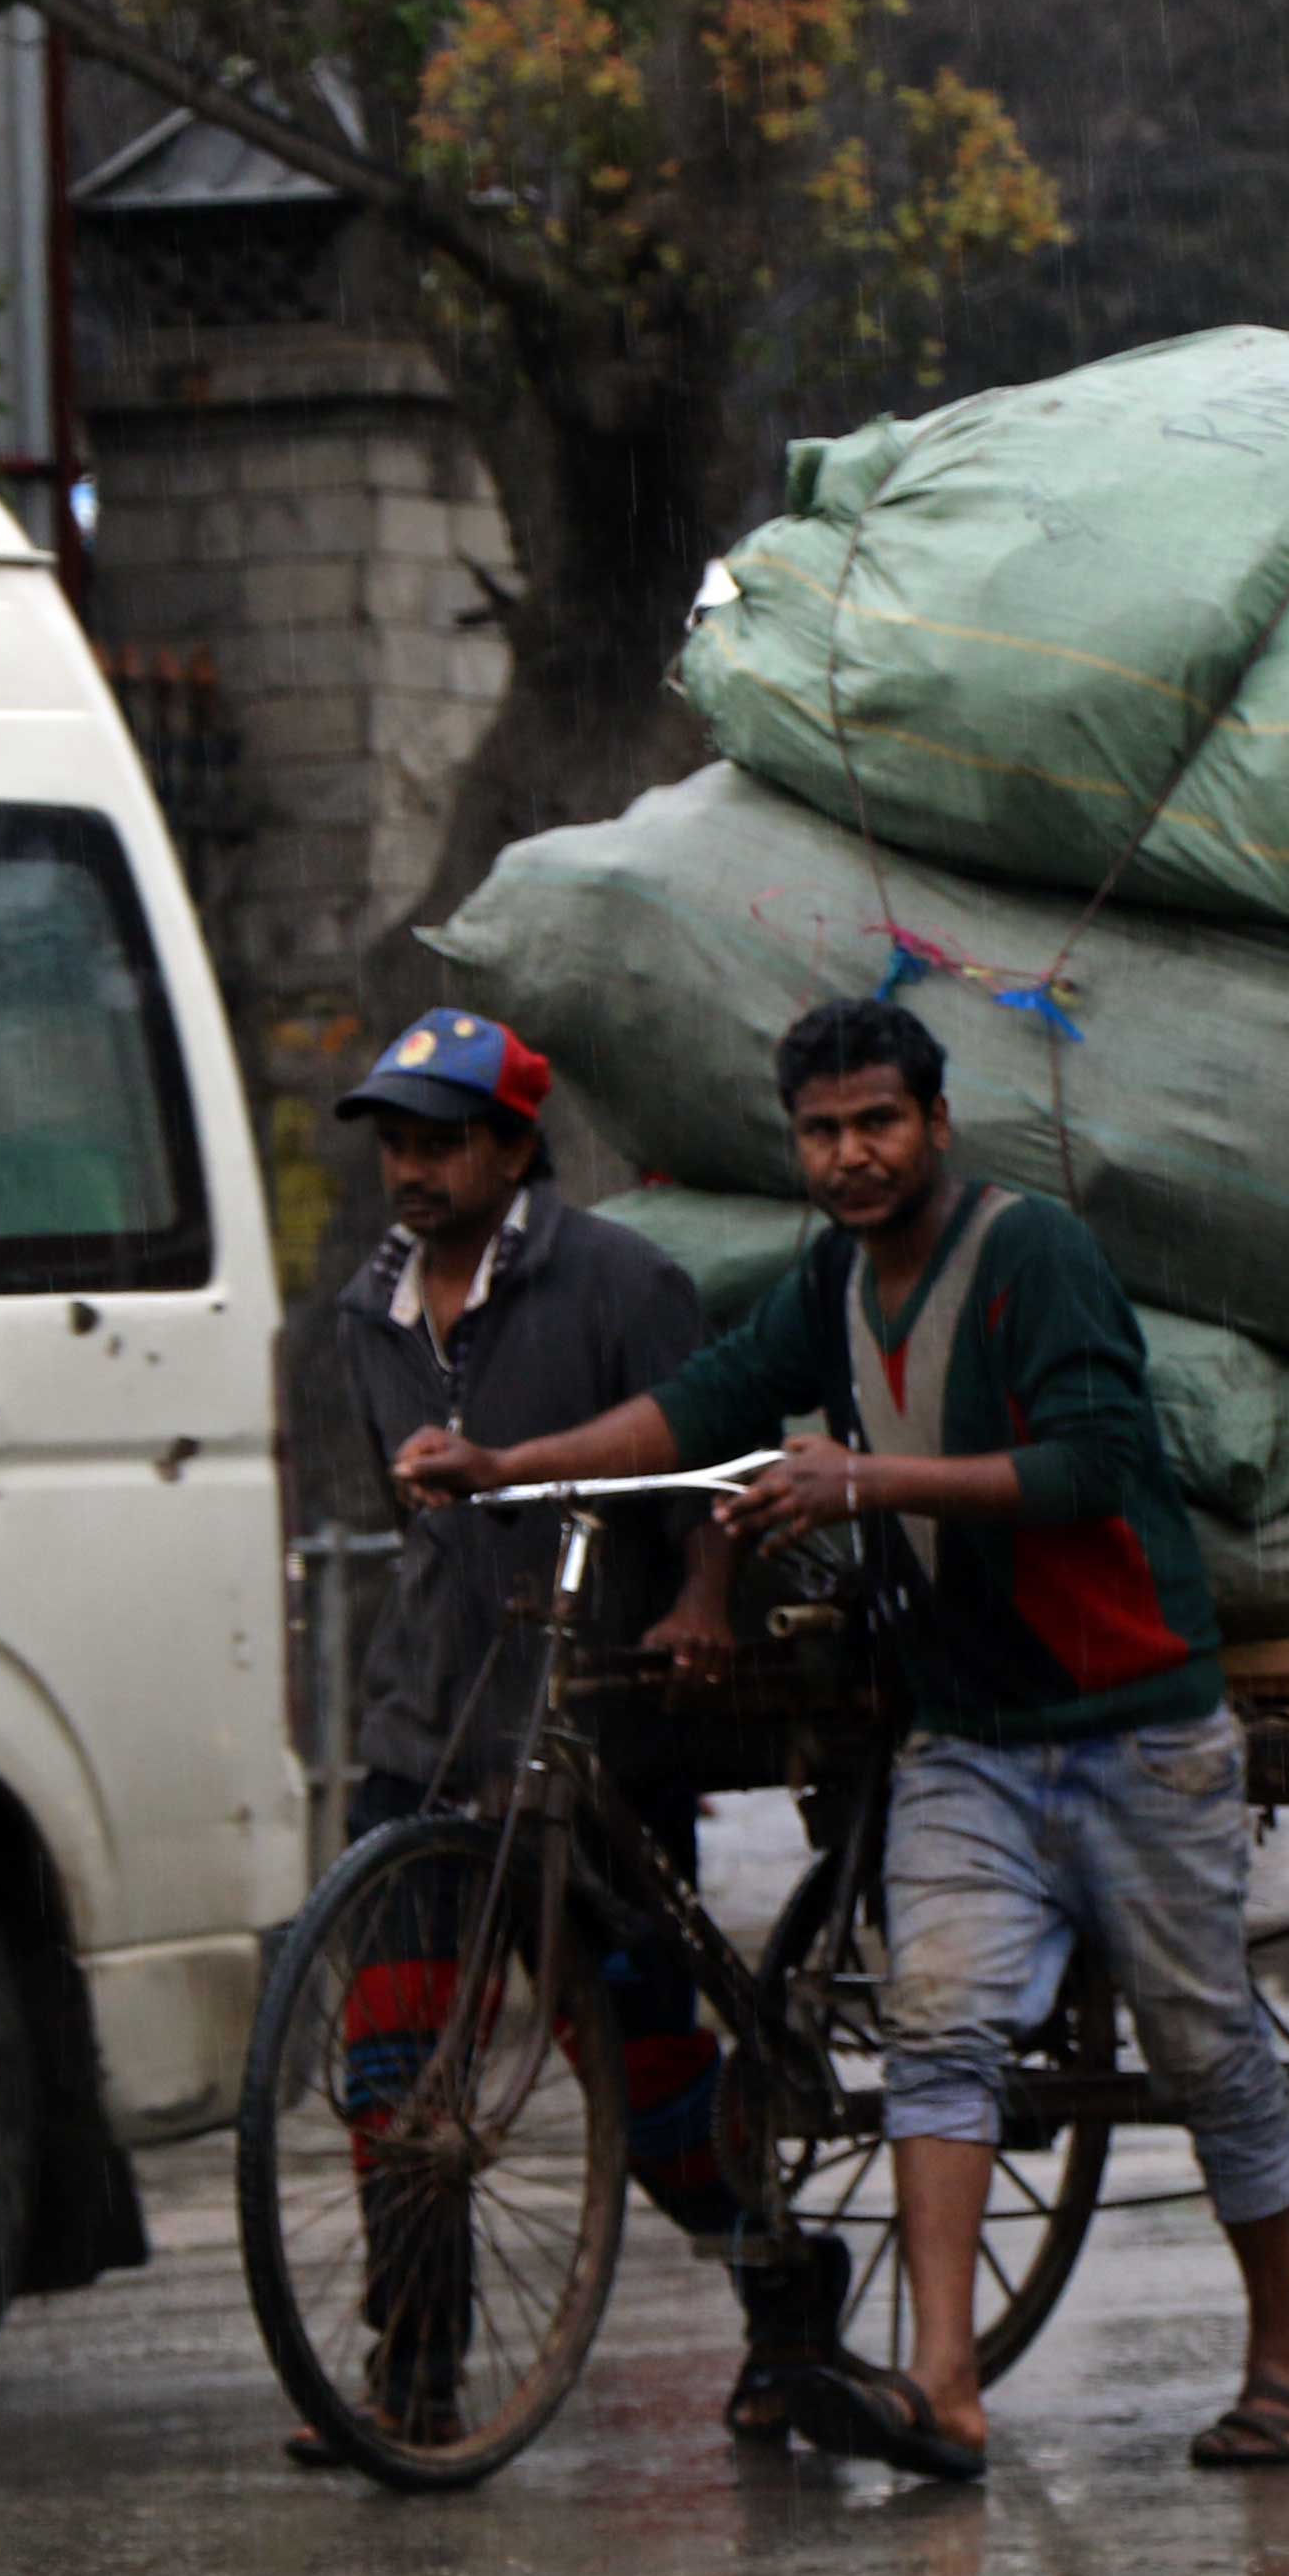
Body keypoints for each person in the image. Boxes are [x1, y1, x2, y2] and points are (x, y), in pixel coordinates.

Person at [397, 995, 1289, 2482]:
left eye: (879, 1123)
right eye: (823, 1133)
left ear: (938, 1125)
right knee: (937, 2033)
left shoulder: (1034, 1255)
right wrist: (512, 1460)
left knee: (1208, 2049)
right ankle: (946, 2388)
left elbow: (1095, 1464)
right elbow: (700, 1406)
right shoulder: (831, 1278)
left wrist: (870, 1483)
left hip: (1133, 1726)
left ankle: (1281, 2358)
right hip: (966, 1737)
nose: (853, 1156)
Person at [320, 1008, 837, 2450]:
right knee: (392, 2073)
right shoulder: (365, 1310)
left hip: (596, 1730)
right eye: (397, 1145)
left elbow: (721, 1461)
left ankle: (783, 2281)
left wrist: (702, 1598)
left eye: (441, 1143)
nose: (412, 1172)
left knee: (649, 2078)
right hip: (429, 1724)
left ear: (511, 1147)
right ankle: (415, 2368)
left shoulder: (620, 1282)